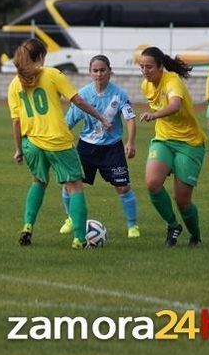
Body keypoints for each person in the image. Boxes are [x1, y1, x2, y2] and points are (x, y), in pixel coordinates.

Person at [8, 38, 112, 250]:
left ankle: (27, 226)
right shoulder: (52, 75)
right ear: (39, 57)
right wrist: (101, 117)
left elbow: (16, 121)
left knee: (38, 182)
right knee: (75, 187)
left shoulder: (14, 84)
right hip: (57, 141)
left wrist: (19, 149)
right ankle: (80, 240)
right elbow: (79, 101)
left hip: (31, 143)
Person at [58, 54, 140, 238]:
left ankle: (132, 226)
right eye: (95, 70)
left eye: (103, 70)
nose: (99, 74)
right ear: (90, 73)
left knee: (123, 187)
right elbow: (68, 123)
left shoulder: (119, 94)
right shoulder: (83, 96)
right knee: (69, 185)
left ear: (110, 71)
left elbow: (130, 119)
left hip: (112, 148)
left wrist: (130, 141)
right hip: (87, 148)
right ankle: (71, 219)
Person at [138, 46, 206, 247]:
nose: (145, 71)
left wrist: (154, 115)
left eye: (149, 67)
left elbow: (175, 104)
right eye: (142, 67)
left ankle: (195, 236)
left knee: (182, 200)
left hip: (189, 143)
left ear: (160, 66)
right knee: (152, 183)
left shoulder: (172, 80)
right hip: (164, 140)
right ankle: (172, 225)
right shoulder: (146, 85)